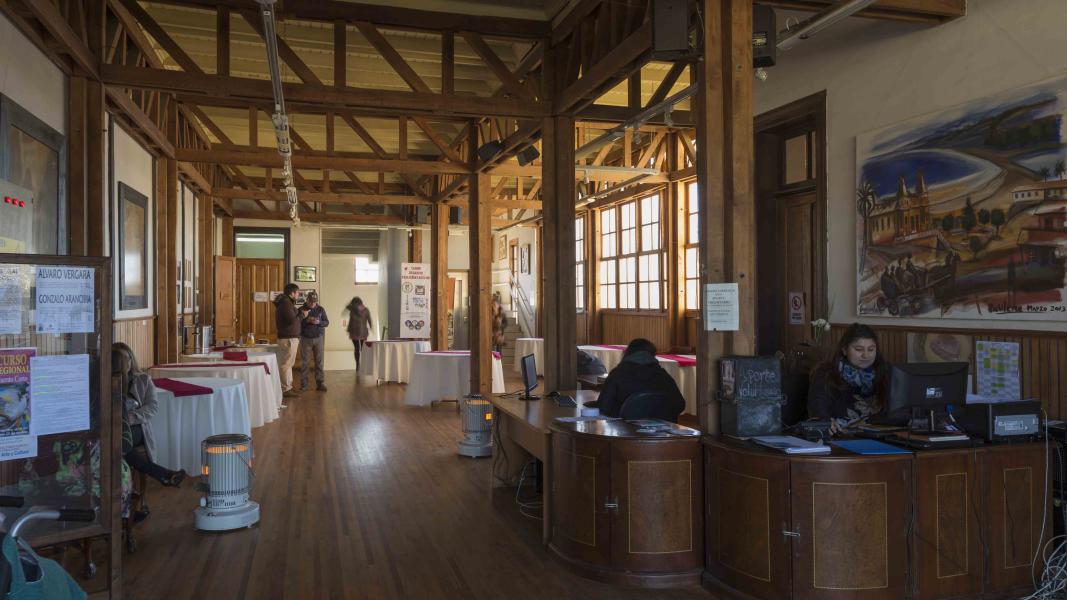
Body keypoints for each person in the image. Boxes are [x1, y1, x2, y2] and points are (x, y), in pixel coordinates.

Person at [112, 343, 186, 488]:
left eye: (128, 358)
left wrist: (133, 417)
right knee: (118, 442)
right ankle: (163, 475)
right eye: (122, 359)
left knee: (118, 440)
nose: (127, 362)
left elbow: (152, 407)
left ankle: (160, 476)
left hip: (136, 427)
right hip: (114, 428)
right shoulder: (108, 382)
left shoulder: (143, 380)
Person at [807, 323, 889, 434]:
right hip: (837, 436)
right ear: (845, 350)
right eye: (859, 349)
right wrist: (825, 421)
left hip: (875, 435)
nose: (866, 355)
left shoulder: (884, 372)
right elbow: (818, 409)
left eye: (871, 349)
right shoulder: (827, 373)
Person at [594, 338, 685, 418]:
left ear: (628, 353)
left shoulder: (618, 373)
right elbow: (680, 405)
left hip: (624, 430)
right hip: (661, 432)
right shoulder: (662, 374)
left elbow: (603, 407)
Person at [274, 283, 302, 398]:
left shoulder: (286, 303)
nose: (298, 294)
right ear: (292, 293)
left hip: (289, 338)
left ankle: (288, 386)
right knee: (286, 364)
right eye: (297, 292)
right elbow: (292, 320)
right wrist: (302, 315)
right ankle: (285, 389)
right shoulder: (286, 304)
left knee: (289, 364)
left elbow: (292, 319)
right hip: (288, 339)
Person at [299, 291, 329, 392]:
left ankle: (320, 383)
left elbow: (327, 322)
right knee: (305, 363)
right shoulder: (301, 309)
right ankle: (304, 385)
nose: (313, 304)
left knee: (319, 362)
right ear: (307, 300)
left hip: (318, 338)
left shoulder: (321, 309)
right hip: (305, 339)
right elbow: (297, 325)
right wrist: (307, 321)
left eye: (315, 302)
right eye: (311, 301)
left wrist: (319, 322)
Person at [345, 297, 373, 372]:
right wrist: (371, 327)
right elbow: (369, 319)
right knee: (363, 349)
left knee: (356, 349)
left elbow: (347, 309)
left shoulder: (352, 309)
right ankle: (363, 364)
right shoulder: (366, 310)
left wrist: (350, 303)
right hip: (363, 332)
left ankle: (358, 364)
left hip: (353, 332)